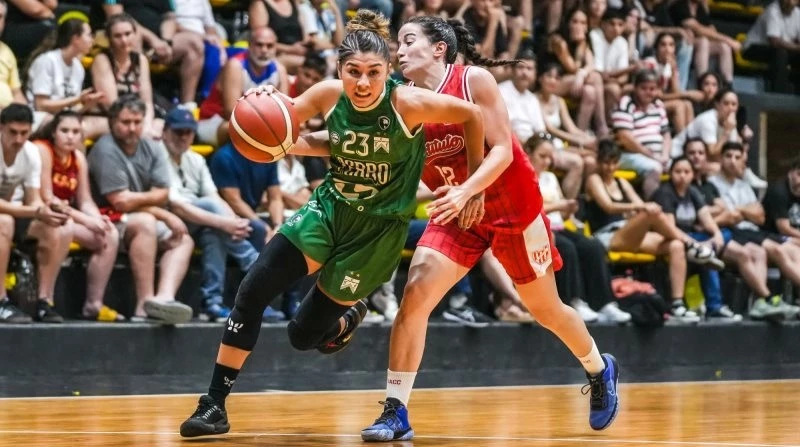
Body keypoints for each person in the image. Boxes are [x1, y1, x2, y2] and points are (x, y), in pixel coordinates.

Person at [178, 10, 486, 438]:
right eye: (353, 72)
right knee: (252, 290)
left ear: (388, 71)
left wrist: (474, 185)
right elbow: (280, 126)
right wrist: (267, 117)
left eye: (373, 73)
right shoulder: (326, 94)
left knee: (302, 337)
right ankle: (213, 405)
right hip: (328, 210)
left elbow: (473, 116)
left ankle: (348, 315)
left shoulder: (408, 104)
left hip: (375, 233)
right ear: (339, 69)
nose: (362, 83)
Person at [361, 16, 620, 443]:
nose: (399, 50)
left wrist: (467, 189)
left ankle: (598, 368)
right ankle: (396, 409)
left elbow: (501, 149)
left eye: (408, 41)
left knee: (545, 310)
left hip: (513, 209)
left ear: (439, 48)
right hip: (460, 213)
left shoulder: (473, 81)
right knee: (416, 293)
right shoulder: (402, 104)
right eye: (397, 44)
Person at [585, 140, 724, 323]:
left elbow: (637, 205)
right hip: (606, 236)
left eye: (613, 162)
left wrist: (639, 208)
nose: (609, 167)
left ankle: (677, 304)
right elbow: (609, 206)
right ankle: (692, 244)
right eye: (605, 162)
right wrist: (640, 207)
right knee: (651, 213)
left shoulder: (622, 181)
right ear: (598, 162)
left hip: (629, 233)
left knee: (674, 245)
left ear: (618, 162)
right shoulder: (593, 179)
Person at [88, 95, 195, 324]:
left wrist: (148, 201)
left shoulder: (152, 146)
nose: (132, 128)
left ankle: (163, 298)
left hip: (138, 215)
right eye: (125, 122)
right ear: (112, 122)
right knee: (146, 223)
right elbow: (119, 201)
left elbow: (163, 193)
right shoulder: (105, 149)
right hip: (107, 219)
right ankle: (143, 305)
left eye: (137, 122)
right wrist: (163, 212)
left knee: (183, 238)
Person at [161, 108, 260, 322]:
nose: (184, 137)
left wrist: (231, 223)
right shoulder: (158, 156)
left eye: (188, 132)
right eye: (178, 132)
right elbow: (177, 206)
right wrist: (226, 223)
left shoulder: (195, 159)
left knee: (214, 233)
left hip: (199, 221)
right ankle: (253, 262)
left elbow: (215, 197)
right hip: (168, 219)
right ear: (165, 132)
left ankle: (212, 302)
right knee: (214, 213)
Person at [525, 133, 631, 324]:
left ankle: (605, 303)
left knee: (593, 246)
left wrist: (568, 210)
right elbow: (527, 208)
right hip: (534, 227)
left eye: (550, 157)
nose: (547, 162)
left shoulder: (549, 178)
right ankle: (573, 301)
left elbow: (561, 213)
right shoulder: (522, 176)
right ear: (529, 153)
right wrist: (559, 205)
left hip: (558, 225)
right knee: (567, 248)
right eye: (542, 156)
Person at [32, 111, 122, 322]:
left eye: (75, 132)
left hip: (67, 216)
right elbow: (48, 198)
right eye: (65, 131)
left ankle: (94, 304)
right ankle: (46, 300)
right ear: (53, 132)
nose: (70, 136)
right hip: (41, 215)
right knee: (67, 226)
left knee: (109, 235)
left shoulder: (78, 158)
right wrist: (87, 220)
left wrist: (98, 219)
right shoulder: (42, 150)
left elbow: (85, 201)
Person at [684, 138, 786, 321]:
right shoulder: (695, 184)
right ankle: (767, 298)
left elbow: (728, 213)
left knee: (759, 252)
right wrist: (719, 216)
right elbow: (710, 217)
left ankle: (760, 303)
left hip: (718, 233)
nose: (696, 158)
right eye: (692, 153)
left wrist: (722, 215)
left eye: (700, 153)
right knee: (742, 254)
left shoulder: (706, 184)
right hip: (697, 236)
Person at [0, 104, 69, 324]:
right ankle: (1, 302)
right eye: (13, 132)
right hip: (5, 216)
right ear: (1, 128)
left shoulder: (31, 152)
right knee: (5, 222)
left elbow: (33, 198)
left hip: (14, 210)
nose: (19, 139)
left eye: (24, 133)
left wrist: (49, 210)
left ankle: (43, 301)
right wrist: (35, 210)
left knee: (53, 227)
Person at [651, 155, 742, 321]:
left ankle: (714, 305)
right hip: (671, 239)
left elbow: (706, 218)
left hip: (693, 239)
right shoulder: (665, 193)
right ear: (671, 173)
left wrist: (716, 235)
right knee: (706, 255)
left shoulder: (692, 192)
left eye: (686, 171)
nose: (682, 175)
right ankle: (712, 305)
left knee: (723, 235)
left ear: (693, 174)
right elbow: (669, 229)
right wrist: (695, 243)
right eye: (678, 171)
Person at [197, 27, 289, 147]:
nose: (264, 50)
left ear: (275, 48)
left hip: (254, 124)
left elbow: (285, 110)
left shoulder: (279, 70)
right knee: (242, 131)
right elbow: (231, 112)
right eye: (259, 45)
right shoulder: (236, 66)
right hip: (214, 121)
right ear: (250, 45)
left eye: (269, 46)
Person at [91, 13, 162, 139]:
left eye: (128, 34)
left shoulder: (141, 59)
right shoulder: (102, 59)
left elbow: (147, 102)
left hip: (136, 116)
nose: (124, 40)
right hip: (111, 117)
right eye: (117, 36)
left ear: (135, 34)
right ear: (109, 38)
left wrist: (146, 125)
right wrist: (136, 126)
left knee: (164, 128)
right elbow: (112, 105)